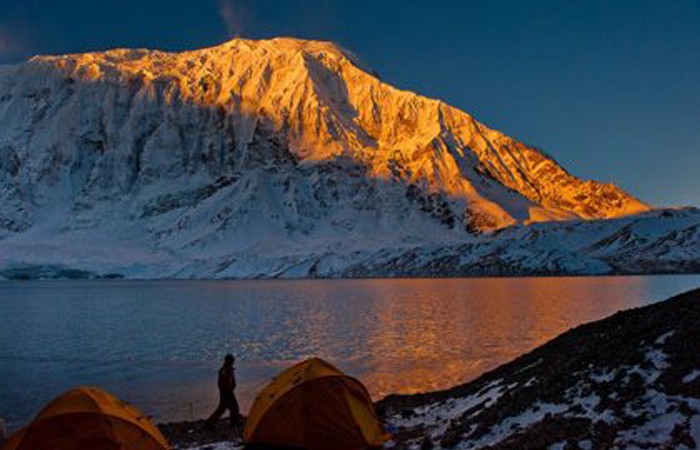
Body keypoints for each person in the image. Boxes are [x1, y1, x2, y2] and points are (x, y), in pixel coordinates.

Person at [205, 354, 240, 430]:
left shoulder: (228, 369)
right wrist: (227, 389)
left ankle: (234, 422)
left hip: (228, 391)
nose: (232, 362)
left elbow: (232, 381)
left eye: (232, 361)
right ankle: (209, 423)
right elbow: (221, 383)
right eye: (231, 361)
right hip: (226, 392)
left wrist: (233, 386)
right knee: (224, 408)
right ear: (228, 361)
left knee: (231, 407)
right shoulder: (224, 370)